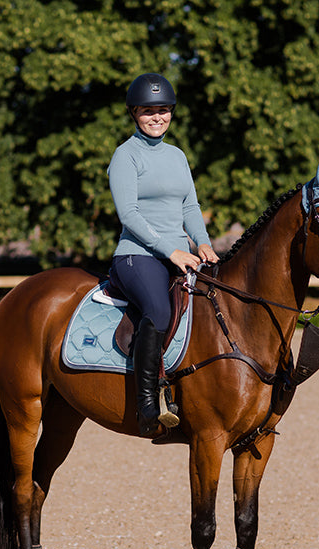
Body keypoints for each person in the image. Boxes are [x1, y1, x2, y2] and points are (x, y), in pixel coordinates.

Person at [108, 72, 220, 436]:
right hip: (136, 257)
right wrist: (170, 249)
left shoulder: (177, 156)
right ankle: (147, 403)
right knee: (158, 310)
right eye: (148, 111)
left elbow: (190, 205)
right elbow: (129, 215)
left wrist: (201, 242)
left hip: (180, 254)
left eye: (164, 110)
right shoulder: (125, 156)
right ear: (134, 114)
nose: (157, 118)